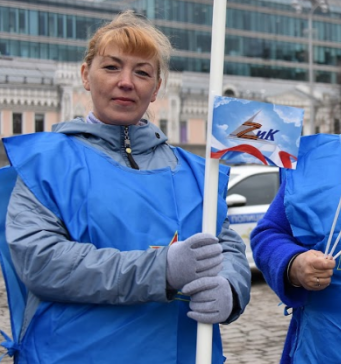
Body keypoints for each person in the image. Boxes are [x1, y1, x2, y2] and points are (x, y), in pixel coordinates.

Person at [1, 11, 250, 364]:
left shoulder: (197, 172)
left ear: (156, 88)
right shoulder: (47, 163)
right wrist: (160, 268)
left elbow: (225, 249)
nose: (126, 82)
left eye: (142, 72)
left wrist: (232, 288)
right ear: (86, 76)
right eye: (112, 67)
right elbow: (41, 262)